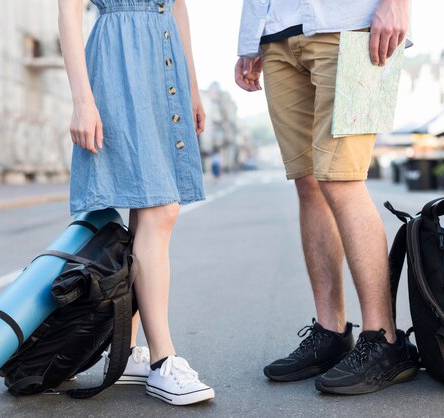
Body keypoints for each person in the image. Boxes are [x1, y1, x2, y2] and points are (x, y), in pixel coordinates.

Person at [235, 0, 419, 395]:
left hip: (352, 26)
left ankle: (384, 340)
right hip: (278, 34)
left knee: (342, 180)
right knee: (308, 183)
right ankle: (331, 332)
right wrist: (250, 39)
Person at [58, 0, 214, 405]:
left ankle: (125, 353)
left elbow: (177, 7)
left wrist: (192, 87)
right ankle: (164, 361)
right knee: (162, 208)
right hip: (118, 63)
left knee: (150, 209)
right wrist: (81, 99)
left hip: (164, 64)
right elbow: (69, 12)